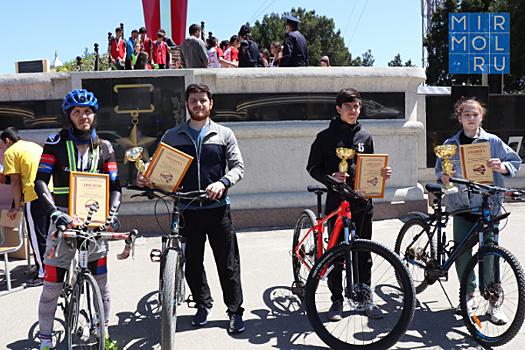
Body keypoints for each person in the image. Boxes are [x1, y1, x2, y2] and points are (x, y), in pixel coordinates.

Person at [136, 83, 246, 333]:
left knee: (227, 264)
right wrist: (146, 179)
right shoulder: (172, 136)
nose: (198, 104)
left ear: (211, 104)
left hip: (218, 209)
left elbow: (238, 167)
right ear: (187, 105)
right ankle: (202, 304)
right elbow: (157, 170)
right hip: (186, 209)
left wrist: (222, 182)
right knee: (193, 264)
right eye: (193, 100)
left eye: (202, 100)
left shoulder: (224, 134)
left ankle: (235, 310)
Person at [34, 89, 121, 350]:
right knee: (51, 288)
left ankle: (103, 333)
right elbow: (40, 180)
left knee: (102, 285)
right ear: (69, 116)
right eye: (76, 112)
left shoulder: (105, 147)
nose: (83, 116)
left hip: (95, 224)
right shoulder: (54, 142)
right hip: (62, 222)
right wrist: (55, 213)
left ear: (94, 115)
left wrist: (112, 213)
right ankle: (46, 342)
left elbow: (115, 185)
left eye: (87, 111)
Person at [307, 88, 392, 321]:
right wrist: (330, 177)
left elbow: (372, 165)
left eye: (356, 107)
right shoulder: (325, 137)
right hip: (337, 202)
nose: (352, 111)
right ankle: (336, 300)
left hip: (362, 203)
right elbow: (313, 167)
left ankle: (365, 296)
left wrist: (382, 173)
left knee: (364, 252)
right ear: (338, 109)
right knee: (337, 253)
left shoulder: (366, 137)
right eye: (347, 107)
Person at [436, 97, 521, 323]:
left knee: (491, 253)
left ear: (481, 117)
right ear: (460, 117)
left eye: (475, 114)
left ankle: (493, 300)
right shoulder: (450, 145)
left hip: (488, 206)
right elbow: (439, 172)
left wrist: (501, 167)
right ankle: (469, 294)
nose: (471, 118)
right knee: (462, 253)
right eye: (467, 114)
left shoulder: (493, 141)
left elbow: (515, 161)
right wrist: (444, 177)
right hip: (461, 206)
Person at [1, 127, 49, 287]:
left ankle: (43, 274)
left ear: (7, 141)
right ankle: (45, 267)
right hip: (49, 193)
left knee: (36, 236)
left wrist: (15, 206)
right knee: (48, 234)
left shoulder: (11, 152)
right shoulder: (33, 146)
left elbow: (15, 181)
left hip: (33, 195)